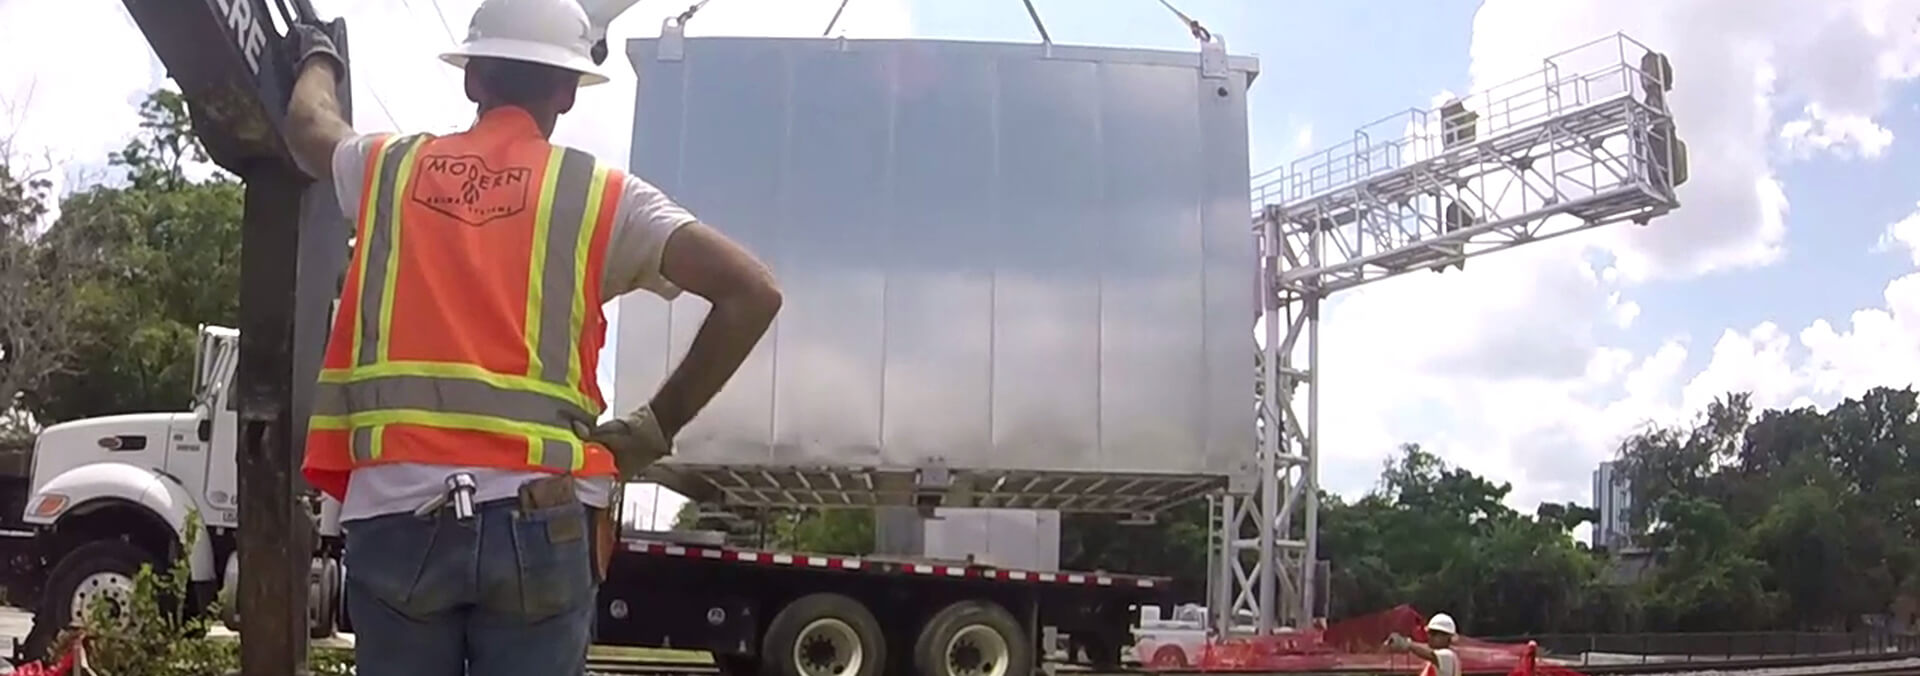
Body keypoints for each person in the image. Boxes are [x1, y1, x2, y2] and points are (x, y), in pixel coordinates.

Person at [281, 0, 782, 673]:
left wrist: (318, 54)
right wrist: (650, 430)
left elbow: (310, 126)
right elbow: (753, 292)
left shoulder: (389, 170)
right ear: (569, 92)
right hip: (539, 516)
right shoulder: (603, 196)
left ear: (472, 80)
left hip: (397, 513)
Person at [1388, 613, 1461, 676]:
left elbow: (1428, 653)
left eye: (1435, 633)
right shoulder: (1435, 662)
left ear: (1448, 638)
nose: (1430, 636)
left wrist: (1407, 644)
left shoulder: (1448, 655)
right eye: (1429, 632)